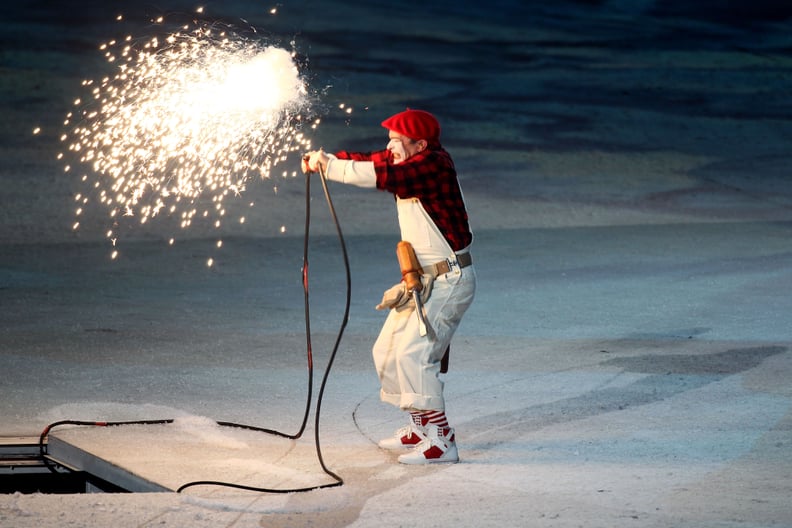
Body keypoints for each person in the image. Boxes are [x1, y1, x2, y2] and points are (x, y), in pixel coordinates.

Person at [302, 108, 476, 464]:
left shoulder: (431, 167)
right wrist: (328, 160)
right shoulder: (411, 158)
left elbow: (382, 173)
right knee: (387, 350)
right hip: (423, 280)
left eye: (397, 140)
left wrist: (331, 168)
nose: (389, 145)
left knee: (415, 355)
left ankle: (442, 439)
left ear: (420, 144)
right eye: (390, 139)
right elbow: (371, 160)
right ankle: (419, 424)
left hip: (449, 280)